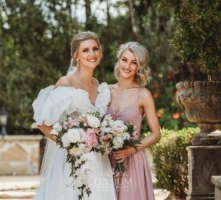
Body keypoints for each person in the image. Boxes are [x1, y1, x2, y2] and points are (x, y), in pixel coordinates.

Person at [32, 31, 116, 200]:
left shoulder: (97, 84)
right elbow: (42, 122)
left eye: (95, 49)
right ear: (76, 56)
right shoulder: (66, 82)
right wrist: (69, 142)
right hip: (70, 158)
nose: (92, 54)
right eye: (85, 50)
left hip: (98, 159)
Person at [107, 42, 161, 200]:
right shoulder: (106, 91)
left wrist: (130, 150)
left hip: (132, 161)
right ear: (119, 61)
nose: (127, 66)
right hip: (106, 160)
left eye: (134, 62)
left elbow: (156, 134)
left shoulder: (143, 95)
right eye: (124, 60)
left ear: (139, 67)